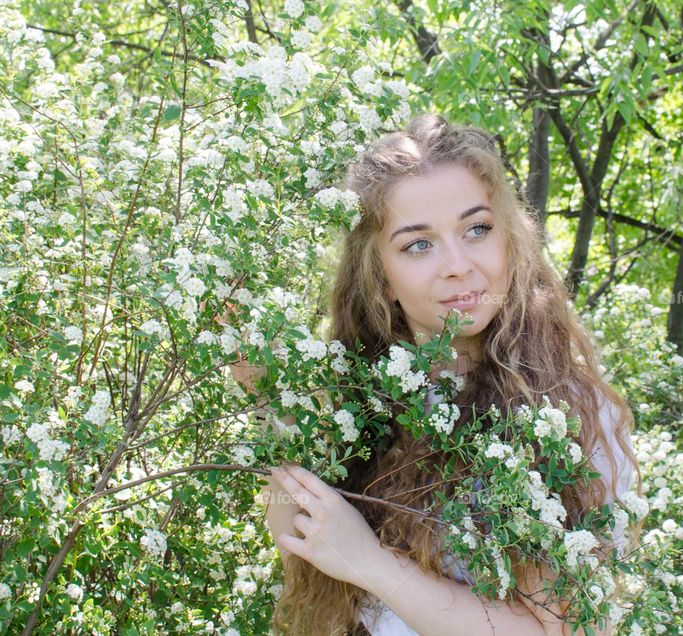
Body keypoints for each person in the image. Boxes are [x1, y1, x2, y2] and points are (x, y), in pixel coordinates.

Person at [239, 114, 640, 635]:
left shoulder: (568, 415)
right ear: (380, 277)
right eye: (418, 244)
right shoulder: (357, 399)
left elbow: (564, 629)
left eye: (477, 229)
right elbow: (305, 551)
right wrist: (274, 399)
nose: (457, 264)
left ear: (509, 239)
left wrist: (372, 564)